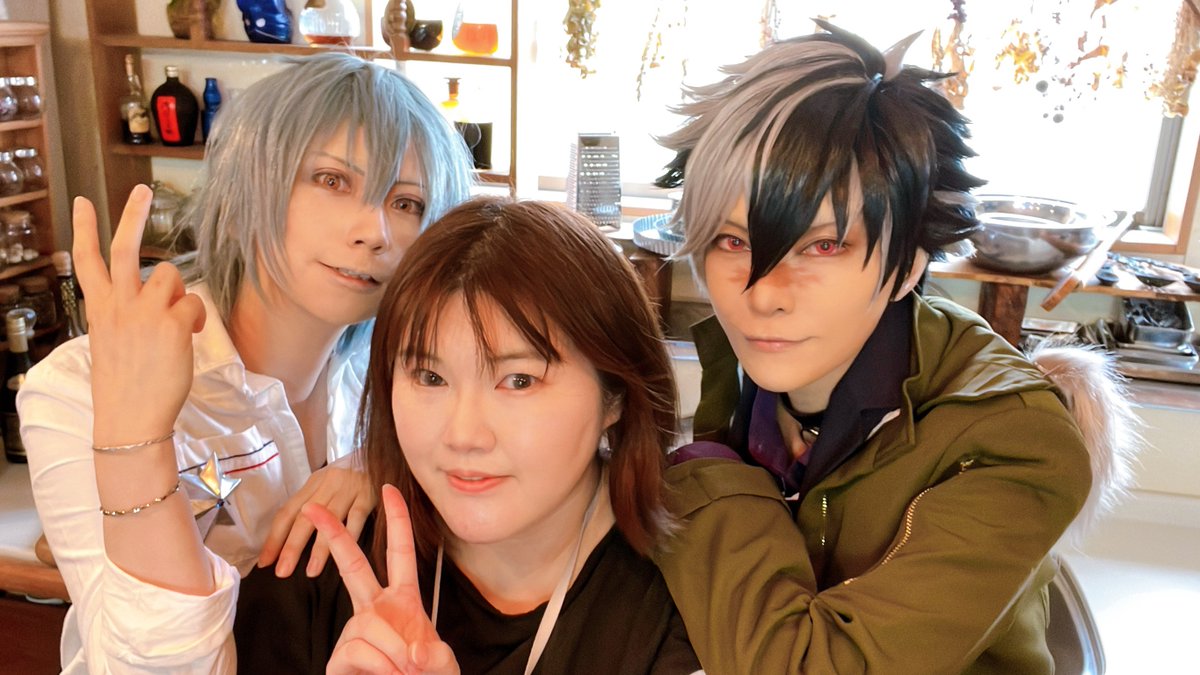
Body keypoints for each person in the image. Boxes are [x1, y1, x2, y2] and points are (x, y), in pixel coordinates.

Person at [647, 22, 1122, 674]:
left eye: (823, 245)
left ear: (909, 264)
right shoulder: (753, 370)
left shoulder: (1012, 442)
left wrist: (702, 476)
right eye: (732, 241)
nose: (762, 293)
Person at [19, 52, 474, 673]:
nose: (375, 231)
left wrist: (383, 461)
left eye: (408, 203)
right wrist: (135, 438)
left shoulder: (406, 380)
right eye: (332, 180)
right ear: (244, 190)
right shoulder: (79, 387)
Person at [302, 197, 702, 674]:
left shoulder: (690, 604)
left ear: (614, 397)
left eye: (519, 381)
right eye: (430, 377)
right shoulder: (323, 565)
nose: (463, 435)